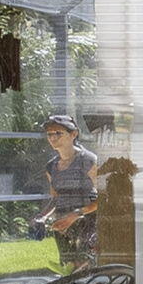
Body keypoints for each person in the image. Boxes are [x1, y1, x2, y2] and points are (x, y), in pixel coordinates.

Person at [36, 114, 99, 270]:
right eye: (49, 134)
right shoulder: (51, 167)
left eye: (58, 133)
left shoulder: (88, 161)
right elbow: (56, 198)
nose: (52, 137)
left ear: (73, 134)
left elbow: (104, 197)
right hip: (63, 227)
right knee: (68, 270)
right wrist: (42, 217)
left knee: (85, 271)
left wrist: (75, 214)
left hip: (87, 226)